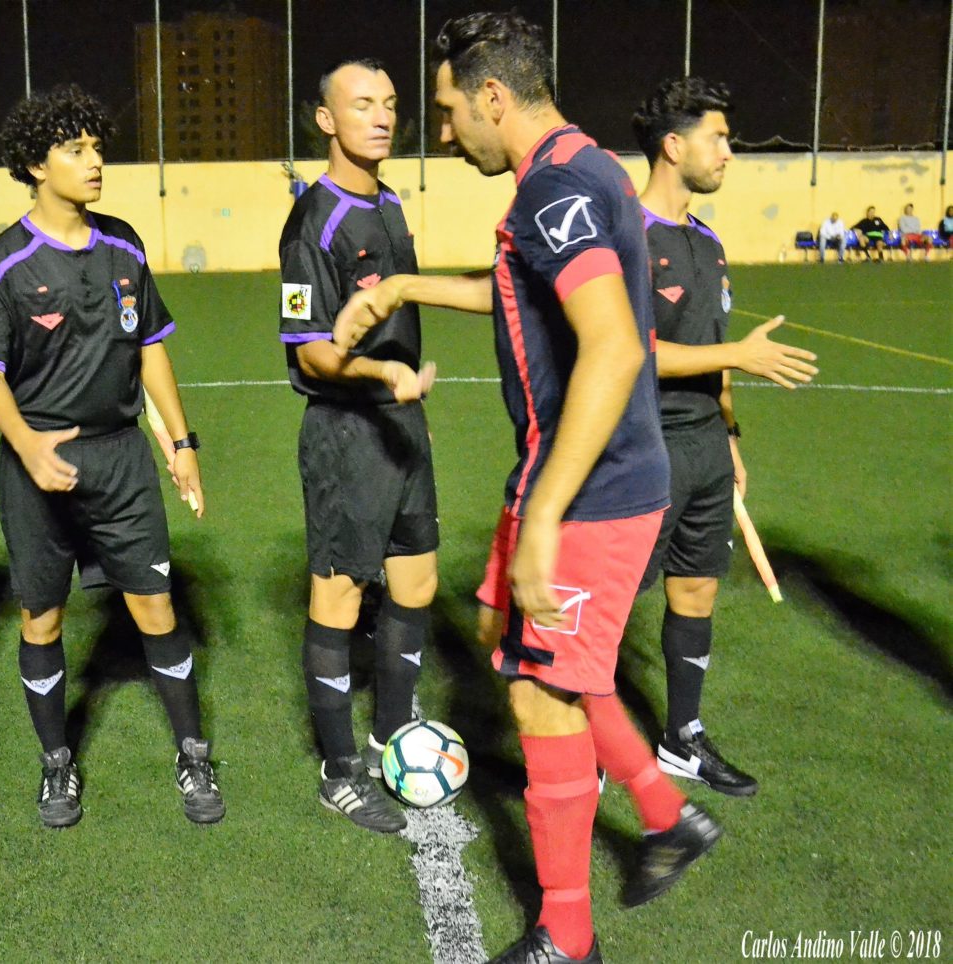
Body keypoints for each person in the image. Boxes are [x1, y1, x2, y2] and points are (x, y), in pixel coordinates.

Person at [334, 14, 720, 963]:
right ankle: (666, 815)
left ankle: (567, 935)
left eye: (449, 109)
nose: (443, 129)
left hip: (592, 486)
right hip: (560, 472)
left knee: (544, 696)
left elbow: (615, 345)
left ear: (494, 96)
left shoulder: (556, 187)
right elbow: (518, 285)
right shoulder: (579, 166)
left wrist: (545, 516)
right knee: (510, 643)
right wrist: (402, 289)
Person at [0, 84, 224, 829]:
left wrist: (180, 444)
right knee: (41, 618)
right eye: (75, 150)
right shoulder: (2, 263)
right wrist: (26, 444)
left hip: (121, 459)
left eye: (97, 147)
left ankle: (193, 751)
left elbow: (150, 348)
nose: (95, 160)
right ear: (35, 165)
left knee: (156, 606)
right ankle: (56, 764)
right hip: (38, 462)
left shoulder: (124, 245)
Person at [631, 78, 819, 800]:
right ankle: (581, 737)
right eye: (717, 137)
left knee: (697, 589)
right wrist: (737, 354)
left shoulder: (707, 242)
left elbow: (714, 350)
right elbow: (628, 351)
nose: (728, 152)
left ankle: (682, 737)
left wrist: (730, 434)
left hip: (706, 445)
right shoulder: (625, 236)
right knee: (611, 601)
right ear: (672, 146)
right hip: (642, 447)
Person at [278, 59, 438, 835]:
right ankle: (340, 772)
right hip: (347, 433)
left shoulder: (391, 202)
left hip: (403, 427)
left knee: (416, 582)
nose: (381, 117)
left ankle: (390, 737)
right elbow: (311, 351)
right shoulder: (313, 220)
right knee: (339, 597)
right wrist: (383, 373)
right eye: (362, 104)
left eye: (390, 104)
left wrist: (403, 391)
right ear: (326, 120)